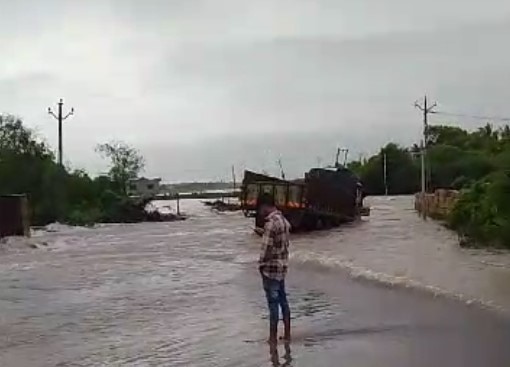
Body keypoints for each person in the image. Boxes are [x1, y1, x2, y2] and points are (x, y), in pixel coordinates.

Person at [257, 192, 292, 346]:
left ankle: (272, 338)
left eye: (260, 208)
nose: (259, 211)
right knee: (283, 301)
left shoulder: (270, 223)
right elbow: (283, 245)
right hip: (282, 267)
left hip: (270, 270)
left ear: (265, 206)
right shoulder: (284, 221)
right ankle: (287, 334)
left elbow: (266, 250)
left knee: (272, 304)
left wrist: (260, 265)